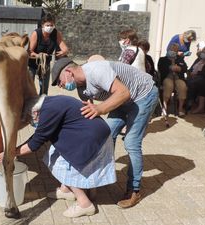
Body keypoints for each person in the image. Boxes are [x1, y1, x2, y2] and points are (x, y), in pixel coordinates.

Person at [51, 57, 159, 208]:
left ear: (68, 72)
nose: (61, 86)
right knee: (105, 135)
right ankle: (99, 179)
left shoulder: (96, 71)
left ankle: (134, 190)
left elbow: (123, 92)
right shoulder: (82, 88)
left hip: (143, 94)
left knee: (131, 142)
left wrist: (101, 109)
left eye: (59, 81)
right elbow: (90, 115)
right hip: (122, 99)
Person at [0, 95, 116, 218]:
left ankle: (85, 204)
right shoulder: (49, 104)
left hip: (94, 139)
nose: (31, 123)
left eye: (29, 120)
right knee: (53, 155)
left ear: (35, 113)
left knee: (62, 164)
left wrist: (9, 153)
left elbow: (34, 144)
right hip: (93, 134)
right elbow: (39, 136)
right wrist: (11, 151)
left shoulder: (48, 112)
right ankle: (67, 190)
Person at [28, 13, 69, 95]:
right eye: (47, 25)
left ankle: (43, 104)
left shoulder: (56, 33)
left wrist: (63, 52)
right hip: (32, 64)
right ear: (42, 25)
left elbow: (65, 48)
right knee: (29, 87)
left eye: (52, 25)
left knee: (44, 89)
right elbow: (29, 51)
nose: (50, 27)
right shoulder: (36, 34)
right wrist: (38, 55)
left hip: (45, 64)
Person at [158, 43, 188, 117]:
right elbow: (161, 69)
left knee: (183, 86)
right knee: (169, 85)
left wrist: (180, 68)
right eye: (171, 49)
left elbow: (185, 68)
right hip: (167, 77)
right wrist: (169, 67)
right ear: (168, 50)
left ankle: (180, 108)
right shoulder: (162, 59)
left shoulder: (180, 59)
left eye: (175, 50)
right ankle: (164, 108)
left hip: (178, 78)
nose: (173, 51)